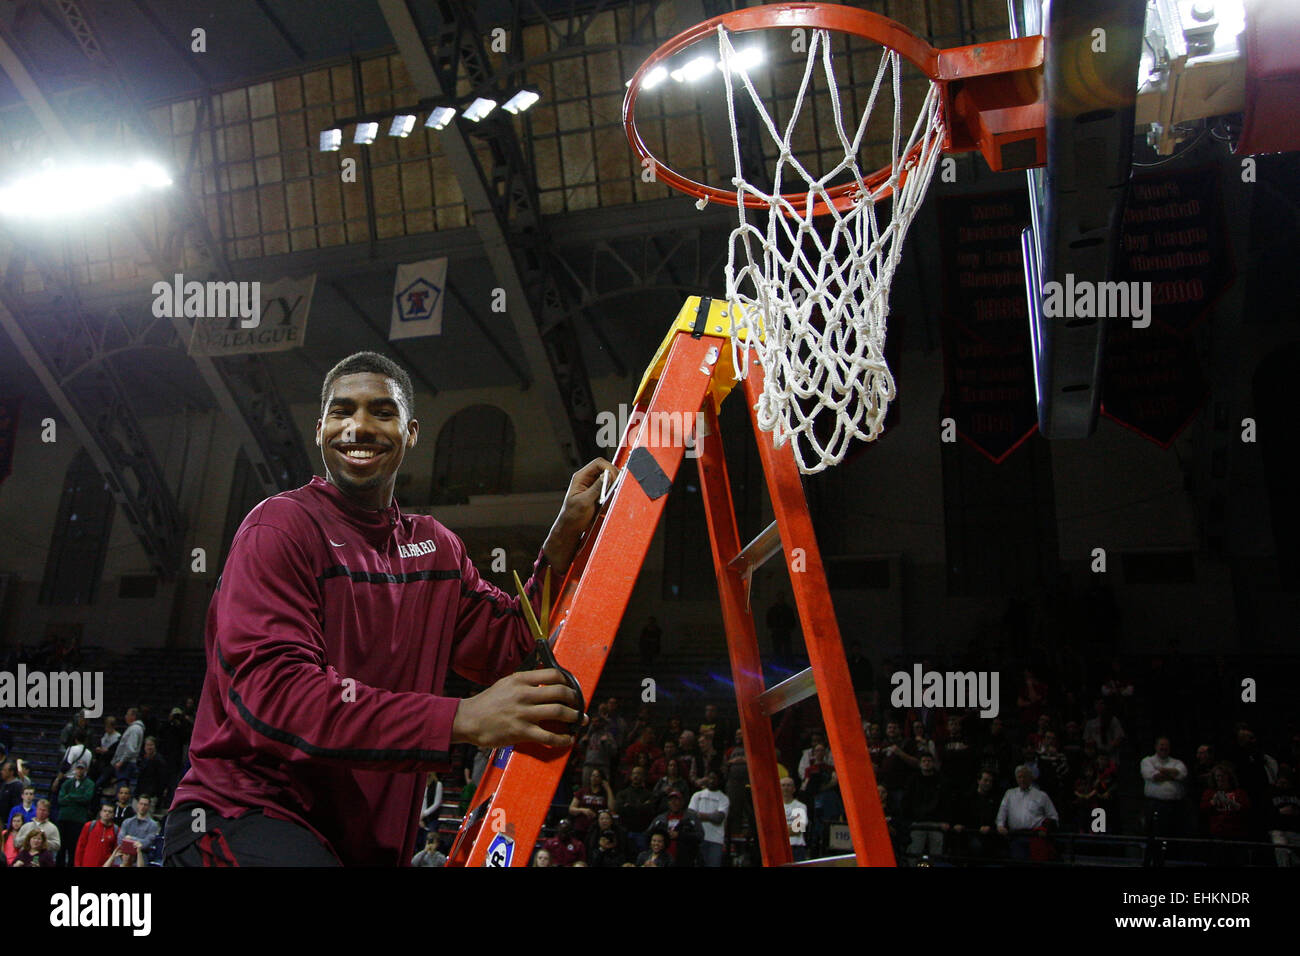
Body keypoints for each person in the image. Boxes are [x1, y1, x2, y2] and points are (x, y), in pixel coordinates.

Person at [165, 353, 611, 866]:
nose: (359, 426)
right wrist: (458, 718)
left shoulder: (436, 548)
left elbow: (509, 649)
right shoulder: (280, 528)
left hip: (360, 843)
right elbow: (277, 696)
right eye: (342, 412)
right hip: (246, 816)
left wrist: (559, 544)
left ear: (412, 431)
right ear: (320, 429)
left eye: (382, 411)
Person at [996, 765, 1059, 861]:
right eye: (1020, 777)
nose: (1022, 779)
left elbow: (1053, 816)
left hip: (1036, 837)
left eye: (1025, 776)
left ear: (1030, 777)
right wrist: (1000, 826)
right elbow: (1002, 812)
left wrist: (1045, 828)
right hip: (1016, 836)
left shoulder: (1041, 795)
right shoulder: (1010, 794)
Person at [1140, 736, 1188, 841]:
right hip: (1155, 805)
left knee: (1175, 837)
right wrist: (1173, 776)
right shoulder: (1147, 761)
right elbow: (1155, 777)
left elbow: (1182, 775)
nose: (1164, 747)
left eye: (1166, 745)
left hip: (1175, 806)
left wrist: (1162, 770)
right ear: (1156, 747)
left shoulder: (1177, 762)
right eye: (1161, 745)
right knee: (1155, 837)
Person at [57, 763, 98, 867]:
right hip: (64, 819)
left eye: (82, 769)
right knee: (61, 848)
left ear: (86, 770)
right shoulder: (67, 783)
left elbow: (86, 799)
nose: (79, 771)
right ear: (75, 769)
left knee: (73, 849)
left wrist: (70, 796)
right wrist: (77, 798)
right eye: (78, 768)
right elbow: (60, 800)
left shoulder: (89, 784)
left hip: (78, 821)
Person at [688, 771, 729, 867]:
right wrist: (710, 816)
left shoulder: (723, 798)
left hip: (716, 840)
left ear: (719, 781)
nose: (711, 781)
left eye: (714, 778)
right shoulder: (697, 795)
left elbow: (718, 818)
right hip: (699, 838)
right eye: (710, 778)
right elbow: (690, 815)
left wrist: (700, 815)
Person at [615, 766, 657, 852]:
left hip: (642, 832)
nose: (636, 776)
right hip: (625, 832)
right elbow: (619, 809)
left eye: (639, 774)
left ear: (644, 777)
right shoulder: (623, 793)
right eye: (634, 773)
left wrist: (629, 806)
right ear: (630, 776)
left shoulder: (649, 794)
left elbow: (649, 811)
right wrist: (641, 806)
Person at [568, 767, 614, 841]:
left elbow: (612, 808)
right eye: (593, 775)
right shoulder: (582, 791)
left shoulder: (604, 793)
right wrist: (584, 810)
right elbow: (571, 809)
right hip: (581, 827)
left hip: (597, 828)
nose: (594, 778)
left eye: (597, 776)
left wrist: (608, 788)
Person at [111, 708, 145, 791]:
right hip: (127, 763)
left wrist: (121, 761)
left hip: (127, 763)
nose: (125, 716)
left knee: (123, 789)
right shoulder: (135, 728)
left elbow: (130, 749)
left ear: (133, 716)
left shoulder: (134, 729)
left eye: (127, 714)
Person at [75, 803, 119, 868]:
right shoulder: (89, 825)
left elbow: (115, 852)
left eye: (110, 812)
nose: (107, 813)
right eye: (105, 811)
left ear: (113, 815)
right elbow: (80, 846)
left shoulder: (116, 830)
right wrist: (77, 864)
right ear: (100, 813)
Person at [118, 795, 159, 860]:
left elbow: (146, 844)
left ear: (148, 807)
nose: (142, 806)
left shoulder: (153, 825)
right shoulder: (127, 822)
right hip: (124, 856)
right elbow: (120, 841)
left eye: (145, 805)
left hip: (141, 857)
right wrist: (138, 842)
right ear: (137, 805)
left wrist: (130, 838)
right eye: (141, 804)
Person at [781, 776, 809, 863]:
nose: (786, 788)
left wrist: (780, 829)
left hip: (796, 848)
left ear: (793, 789)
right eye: (783, 785)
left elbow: (797, 829)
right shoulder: (774, 807)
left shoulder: (800, 806)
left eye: (789, 785)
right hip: (779, 848)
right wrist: (790, 827)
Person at [766, 592, 796, 660]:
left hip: (785, 631)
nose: (780, 599)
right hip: (777, 631)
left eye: (782, 597)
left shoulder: (787, 609)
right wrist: (773, 627)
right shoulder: (773, 609)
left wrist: (790, 628)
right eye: (779, 597)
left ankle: (787, 661)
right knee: (777, 648)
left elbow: (792, 620)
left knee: (787, 648)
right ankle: (779, 661)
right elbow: (769, 620)